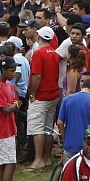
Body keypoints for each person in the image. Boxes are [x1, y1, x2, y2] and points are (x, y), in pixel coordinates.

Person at [28, 25, 61, 169]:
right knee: (48, 128)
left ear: (39, 37)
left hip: (41, 96)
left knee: (37, 128)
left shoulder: (39, 53)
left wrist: (33, 94)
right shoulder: (54, 53)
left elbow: (37, 75)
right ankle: (47, 158)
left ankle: (38, 159)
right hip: (53, 94)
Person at [0, 56, 22, 181]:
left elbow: (15, 104)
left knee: (4, 161)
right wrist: (15, 105)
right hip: (2, 128)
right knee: (10, 162)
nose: (14, 73)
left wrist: (15, 103)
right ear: (3, 70)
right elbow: (5, 109)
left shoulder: (9, 85)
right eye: (11, 70)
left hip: (10, 127)